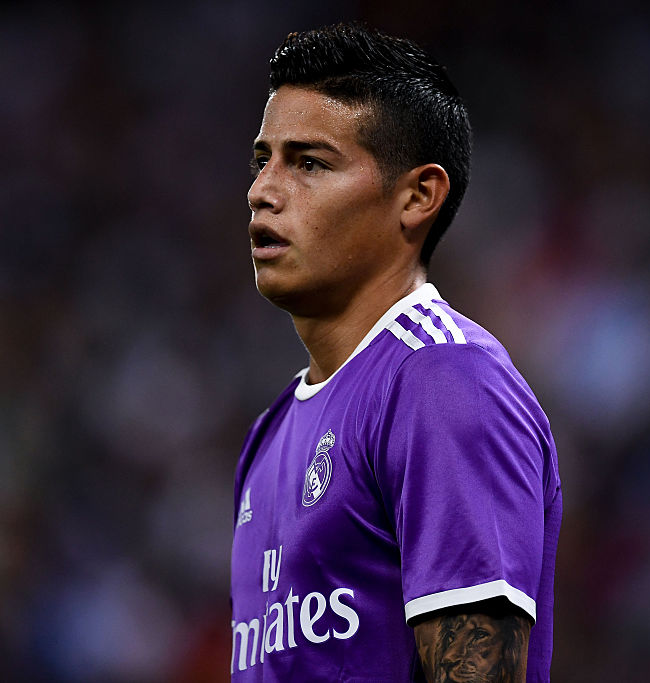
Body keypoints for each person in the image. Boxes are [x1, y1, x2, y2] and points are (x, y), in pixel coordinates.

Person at [230, 22, 561, 682]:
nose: (263, 189)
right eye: (262, 160)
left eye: (310, 163)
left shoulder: (444, 381)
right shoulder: (269, 432)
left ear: (417, 197)